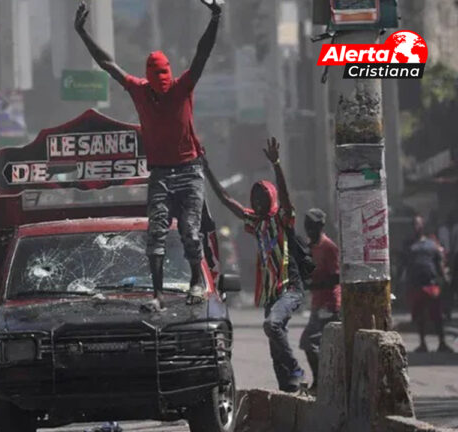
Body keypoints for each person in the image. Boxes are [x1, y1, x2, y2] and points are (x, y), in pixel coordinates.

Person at [75, 0, 222, 310]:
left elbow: (202, 53)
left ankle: (196, 281)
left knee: (190, 233)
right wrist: (82, 32)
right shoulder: (139, 90)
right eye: (158, 84)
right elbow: (107, 63)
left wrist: (216, 17)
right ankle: (156, 295)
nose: (162, 88)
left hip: (188, 170)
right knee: (155, 234)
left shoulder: (182, 88)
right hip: (160, 173)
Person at [203, 138, 306, 392]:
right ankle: (289, 389)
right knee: (274, 345)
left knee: (271, 326)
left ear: (270, 200)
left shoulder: (283, 219)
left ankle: (295, 368)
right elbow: (227, 199)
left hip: (289, 288)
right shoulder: (256, 223)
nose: (258, 204)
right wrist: (205, 169)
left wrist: (277, 164)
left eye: (262, 199)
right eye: (255, 199)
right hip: (272, 294)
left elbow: (285, 195)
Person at [299, 208, 341, 391]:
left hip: (329, 304)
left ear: (321, 227)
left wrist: (314, 285)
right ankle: (323, 381)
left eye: (313, 226)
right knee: (316, 344)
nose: (310, 230)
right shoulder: (310, 248)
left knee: (310, 342)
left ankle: (321, 382)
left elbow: (336, 277)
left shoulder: (329, 248)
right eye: (307, 226)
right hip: (317, 304)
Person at [404, 215, 454, 353]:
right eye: (414, 224)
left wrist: (444, 277)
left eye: (418, 224)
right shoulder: (409, 245)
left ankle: (442, 343)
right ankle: (422, 344)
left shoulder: (432, 244)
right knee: (419, 316)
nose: (416, 227)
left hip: (431, 284)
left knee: (437, 315)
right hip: (416, 285)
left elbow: (439, 263)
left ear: (423, 226)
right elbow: (406, 265)